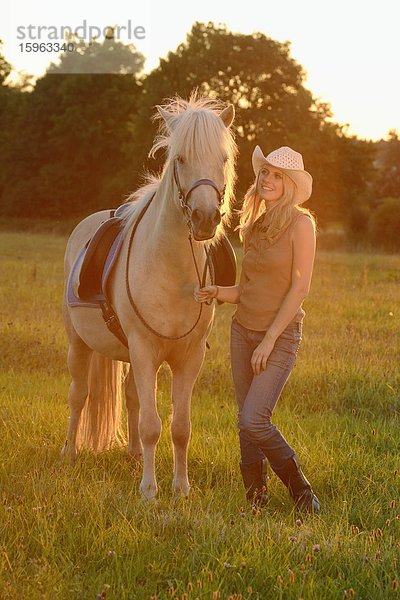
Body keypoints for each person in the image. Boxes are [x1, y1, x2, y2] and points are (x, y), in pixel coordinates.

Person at [194, 145, 320, 513]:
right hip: (241, 331)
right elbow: (246, 289)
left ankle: (302, 492)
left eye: (277, 175)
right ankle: (255, 498)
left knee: (254, 419)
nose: (267, 179)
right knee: (244, 420)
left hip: (278, 338)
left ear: (291, 184)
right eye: (265, 172)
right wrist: (217, 291)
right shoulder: (255, 225)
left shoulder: (302, 224)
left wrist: (269, 340)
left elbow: (301, 288)